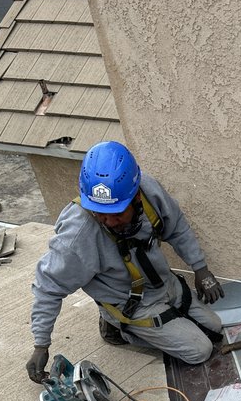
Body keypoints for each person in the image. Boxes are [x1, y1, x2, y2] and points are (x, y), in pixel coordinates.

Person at [26, 141, 224, 384]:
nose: (109, 222)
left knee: (215, 329)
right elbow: (48, 287)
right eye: (100, 214)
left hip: (163, 283)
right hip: (132, 303)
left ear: (136, 197)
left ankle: (155, 321)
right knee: (199, 351)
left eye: (118, 213)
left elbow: (177, 227)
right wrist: (41, 344)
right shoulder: (78, 235)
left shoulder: (149, 191)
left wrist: (201, 269)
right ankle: (116, 325)